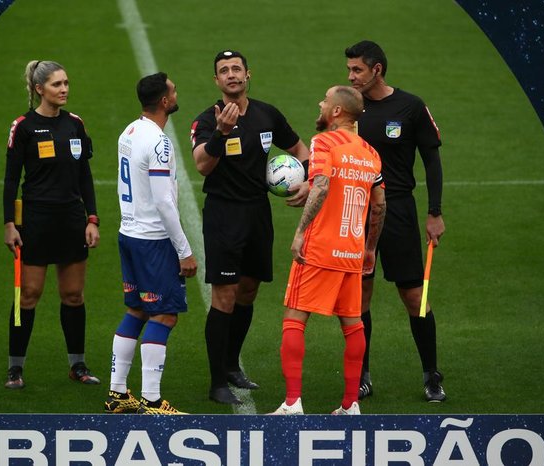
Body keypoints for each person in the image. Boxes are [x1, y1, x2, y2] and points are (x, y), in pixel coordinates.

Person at [191, 50, 310, 405]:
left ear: (248, 74)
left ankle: (231, 365)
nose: (231, 74)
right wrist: (221, 133)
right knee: (224, 295)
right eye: (224, 71)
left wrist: (308, 179)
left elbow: (300, 148)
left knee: (248, 292)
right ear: (217, 81)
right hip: (224, 215)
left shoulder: (266, 114)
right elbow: (201, 166)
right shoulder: (207, 120)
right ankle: (217, 383)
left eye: (236, 69)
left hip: (258, 213)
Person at [270, 85, 386, 415]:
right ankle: (350, 406)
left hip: (320, 247)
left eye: (325, 100)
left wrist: (300, 232)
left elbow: (319, 186)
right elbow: (380, 205)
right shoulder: (371, 153)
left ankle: (292, 403)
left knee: (294, 319)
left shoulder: (324, 142)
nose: (320, 103)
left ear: (336, 112)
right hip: (352, 250)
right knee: (353, 325)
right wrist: (371, 248)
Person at [344, 40, 447, 401]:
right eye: (349, 70)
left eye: (357, 69)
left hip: (399, 210)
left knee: (414, 295)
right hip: (356, 212)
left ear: (377, 70)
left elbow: (432, 161)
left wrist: (435, 212)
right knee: (361, 296)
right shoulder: (347, 108)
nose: (351, 76)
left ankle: (431, 374)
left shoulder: (410, 107)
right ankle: (361, 375)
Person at [3, 60, 100, 389]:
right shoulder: (24, 127)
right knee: (28, 294)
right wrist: (9, 224)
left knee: (73, 295)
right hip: (36, 220)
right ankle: (15, 368)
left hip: (71, 219)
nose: (64, 89)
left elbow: (84, 176)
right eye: (57, 84)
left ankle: (78, 365)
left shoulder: (75, 124)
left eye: (66, 83)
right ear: (38, 89)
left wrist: (92, 218)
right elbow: (10, 181)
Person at [104, 72, 197, 415]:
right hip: (153, 241)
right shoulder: (159, 143)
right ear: (164, 101)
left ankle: (117, 393)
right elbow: (164, 202)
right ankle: (152, 400)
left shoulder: (128, 131)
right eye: (173, 90)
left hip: (129, 233)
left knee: (138, 309)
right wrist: (184, 251)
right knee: (164, 315)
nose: (176, 92)